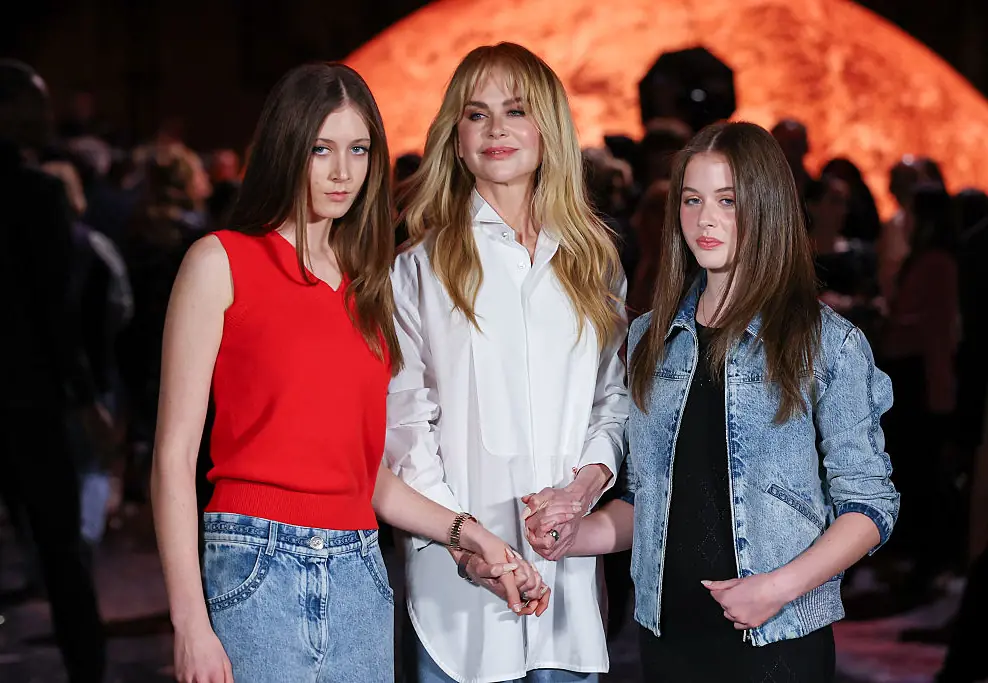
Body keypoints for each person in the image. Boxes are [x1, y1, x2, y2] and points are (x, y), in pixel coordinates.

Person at [151, 62, 543, 683]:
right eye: (321, 149)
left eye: (359, 149)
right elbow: (173, 458)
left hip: (361, 566)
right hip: (255, 562)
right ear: (286, 150)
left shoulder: (370, 284)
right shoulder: (221, 262)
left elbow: (366, 476)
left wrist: (470, 533)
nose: (343, 172)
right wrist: (189, 624)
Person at [556, 121, 899, 682]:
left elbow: (869, 506)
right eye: (692, 199)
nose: (705, 219)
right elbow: (651, 499)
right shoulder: (649, 336)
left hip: (777, 638)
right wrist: (580, 534)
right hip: (667, 635)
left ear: (766, 208)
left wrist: (775, 589)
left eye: (728, 200)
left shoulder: (826, 343)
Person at [387, 42, 628, 683]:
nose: (496, 128)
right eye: (477, 113)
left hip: (568, 590)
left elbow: (613, 400)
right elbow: (406, 426)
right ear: (456, 140)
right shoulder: (417, 269)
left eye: (516, 110)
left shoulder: (594, 266)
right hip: (455, 589)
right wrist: (466, 542)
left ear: (549, 131)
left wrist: (583, 490)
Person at [0, 59, 109, 683]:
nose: (47, 117)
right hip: (30, 396)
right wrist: (85, 396)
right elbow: (52, 309)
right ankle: (86, 670)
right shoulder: (36, 194)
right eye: (34, 103)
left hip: (28, 390)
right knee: (61, 549)